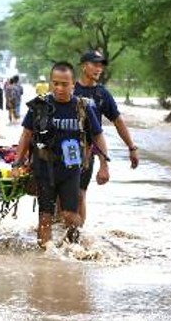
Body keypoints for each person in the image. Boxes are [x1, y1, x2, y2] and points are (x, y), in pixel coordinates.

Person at [12, 61, 110, 248]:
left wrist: (104, 166)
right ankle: (47, 259)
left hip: (71, 169)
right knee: (45, 217)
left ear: (73, 84)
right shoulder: (40, 106)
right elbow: (26, 135)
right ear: (50, 83)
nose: (59, 88)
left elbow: (98, 136)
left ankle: (74, 246)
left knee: (69, 215)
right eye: (55, 83)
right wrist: (17, 164)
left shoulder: (82, 107)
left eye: (64, 84)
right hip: (44, 167)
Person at [74, 50, 139, 226]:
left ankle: (76, 238)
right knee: (61, 196)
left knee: (80, 195)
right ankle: (59, 237)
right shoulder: (69, 89)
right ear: (83, 66)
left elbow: (118, 122)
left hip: (87, 153)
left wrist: (131, 147)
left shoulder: (102, 94)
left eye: (101, 65)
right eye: (95, 64)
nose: (99, 68)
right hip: (63, 152)